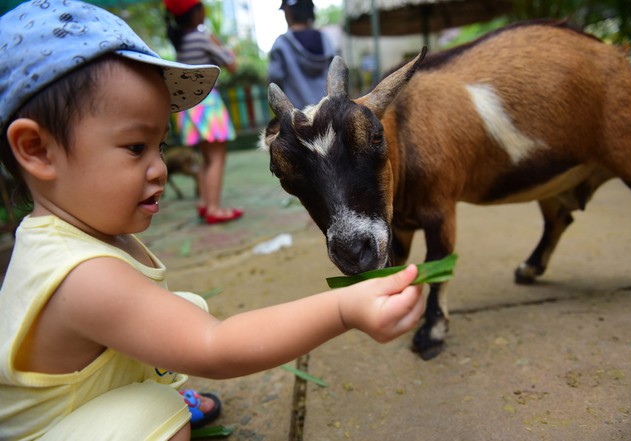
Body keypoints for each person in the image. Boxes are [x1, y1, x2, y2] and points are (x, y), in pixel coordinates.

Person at [0, 2, 424, 439]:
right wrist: (343, 309)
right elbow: (213, 346)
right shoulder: (81, 278)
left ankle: (140, 383)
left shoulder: (85, 234)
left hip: (77, 399)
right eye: (134, 148)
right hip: (48, 430)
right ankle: (150, 400)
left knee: (179, 309)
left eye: (160, 147)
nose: (160, 169)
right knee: (156, 415)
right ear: (37, 150)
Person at [163, 0, 242, 224]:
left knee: (207, 158)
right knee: (217, 158)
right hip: (208, 104)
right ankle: (215, 209)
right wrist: (220, 44)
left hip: (191, 106)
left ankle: (206, 205)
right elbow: (231, 65)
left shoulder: (182, 41)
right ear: (196, 12)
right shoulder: (201, 37)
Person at [268, 0, 337, 109]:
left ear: (288, 11)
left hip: (298, 120)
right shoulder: (324, 39)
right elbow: (336, 72)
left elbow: (275, 80)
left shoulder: (281, 44)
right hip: (326, 116)